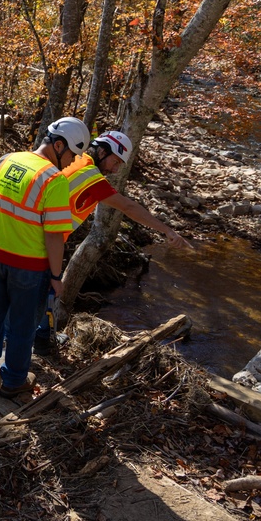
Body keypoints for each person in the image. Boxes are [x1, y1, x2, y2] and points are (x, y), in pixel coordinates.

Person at [32, 130, 192, 354]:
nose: (115, 169)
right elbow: (128, 207)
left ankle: (38, 336)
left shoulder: (74, 160)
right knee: (46, 291)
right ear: (101, 151)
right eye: (115, 161)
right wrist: (167, 231)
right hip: (44, 243)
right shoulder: (90, 177)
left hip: (31, 233)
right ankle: (39, 341)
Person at [0, 116, 89, 398]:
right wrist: (57, 277)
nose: (73, 162)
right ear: (59, 146)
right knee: (22, 328)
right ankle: (12, 382)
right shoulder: (53, 179)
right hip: (28, 267)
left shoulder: (6, 159)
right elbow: (54, 235)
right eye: (72, 154)